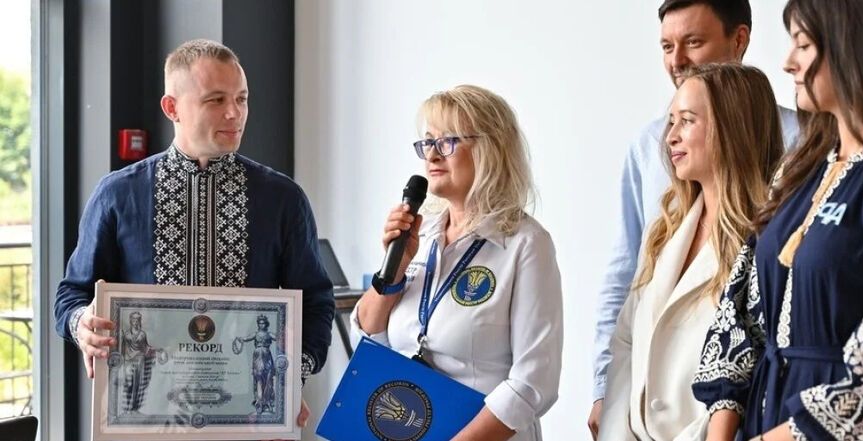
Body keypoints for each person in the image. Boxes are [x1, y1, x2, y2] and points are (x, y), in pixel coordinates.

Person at [53, 39, 334, 426]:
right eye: (216, 100)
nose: (235, 113)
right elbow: (71, 295)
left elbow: (316, 302)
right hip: (144, 415)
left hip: (249, 416)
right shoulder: (117, 194)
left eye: (242, 99)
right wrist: (81, 324)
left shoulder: (283, 198)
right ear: (172, 108)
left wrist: (289, 379)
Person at [691, 0, 863, 439]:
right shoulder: (798, 169)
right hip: (761, 420)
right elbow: (740, 309)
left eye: (803, 44)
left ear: (855, 47)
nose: (788, 62)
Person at [588, 1, 800, 435]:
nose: (677, 60)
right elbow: (625, 306)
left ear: (738, 39)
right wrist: (609, 407)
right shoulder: (664, 216)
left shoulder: (804, 154)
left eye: (693, 42)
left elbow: (756, 358)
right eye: (667, 46)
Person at [351, 85, 563, 441]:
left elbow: (532, 383)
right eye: (427, 142)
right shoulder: (419, 235)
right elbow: (369, 340)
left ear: (490, 149)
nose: (432, 155)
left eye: (447, 141)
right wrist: (395, 270)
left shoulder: (526, 244)